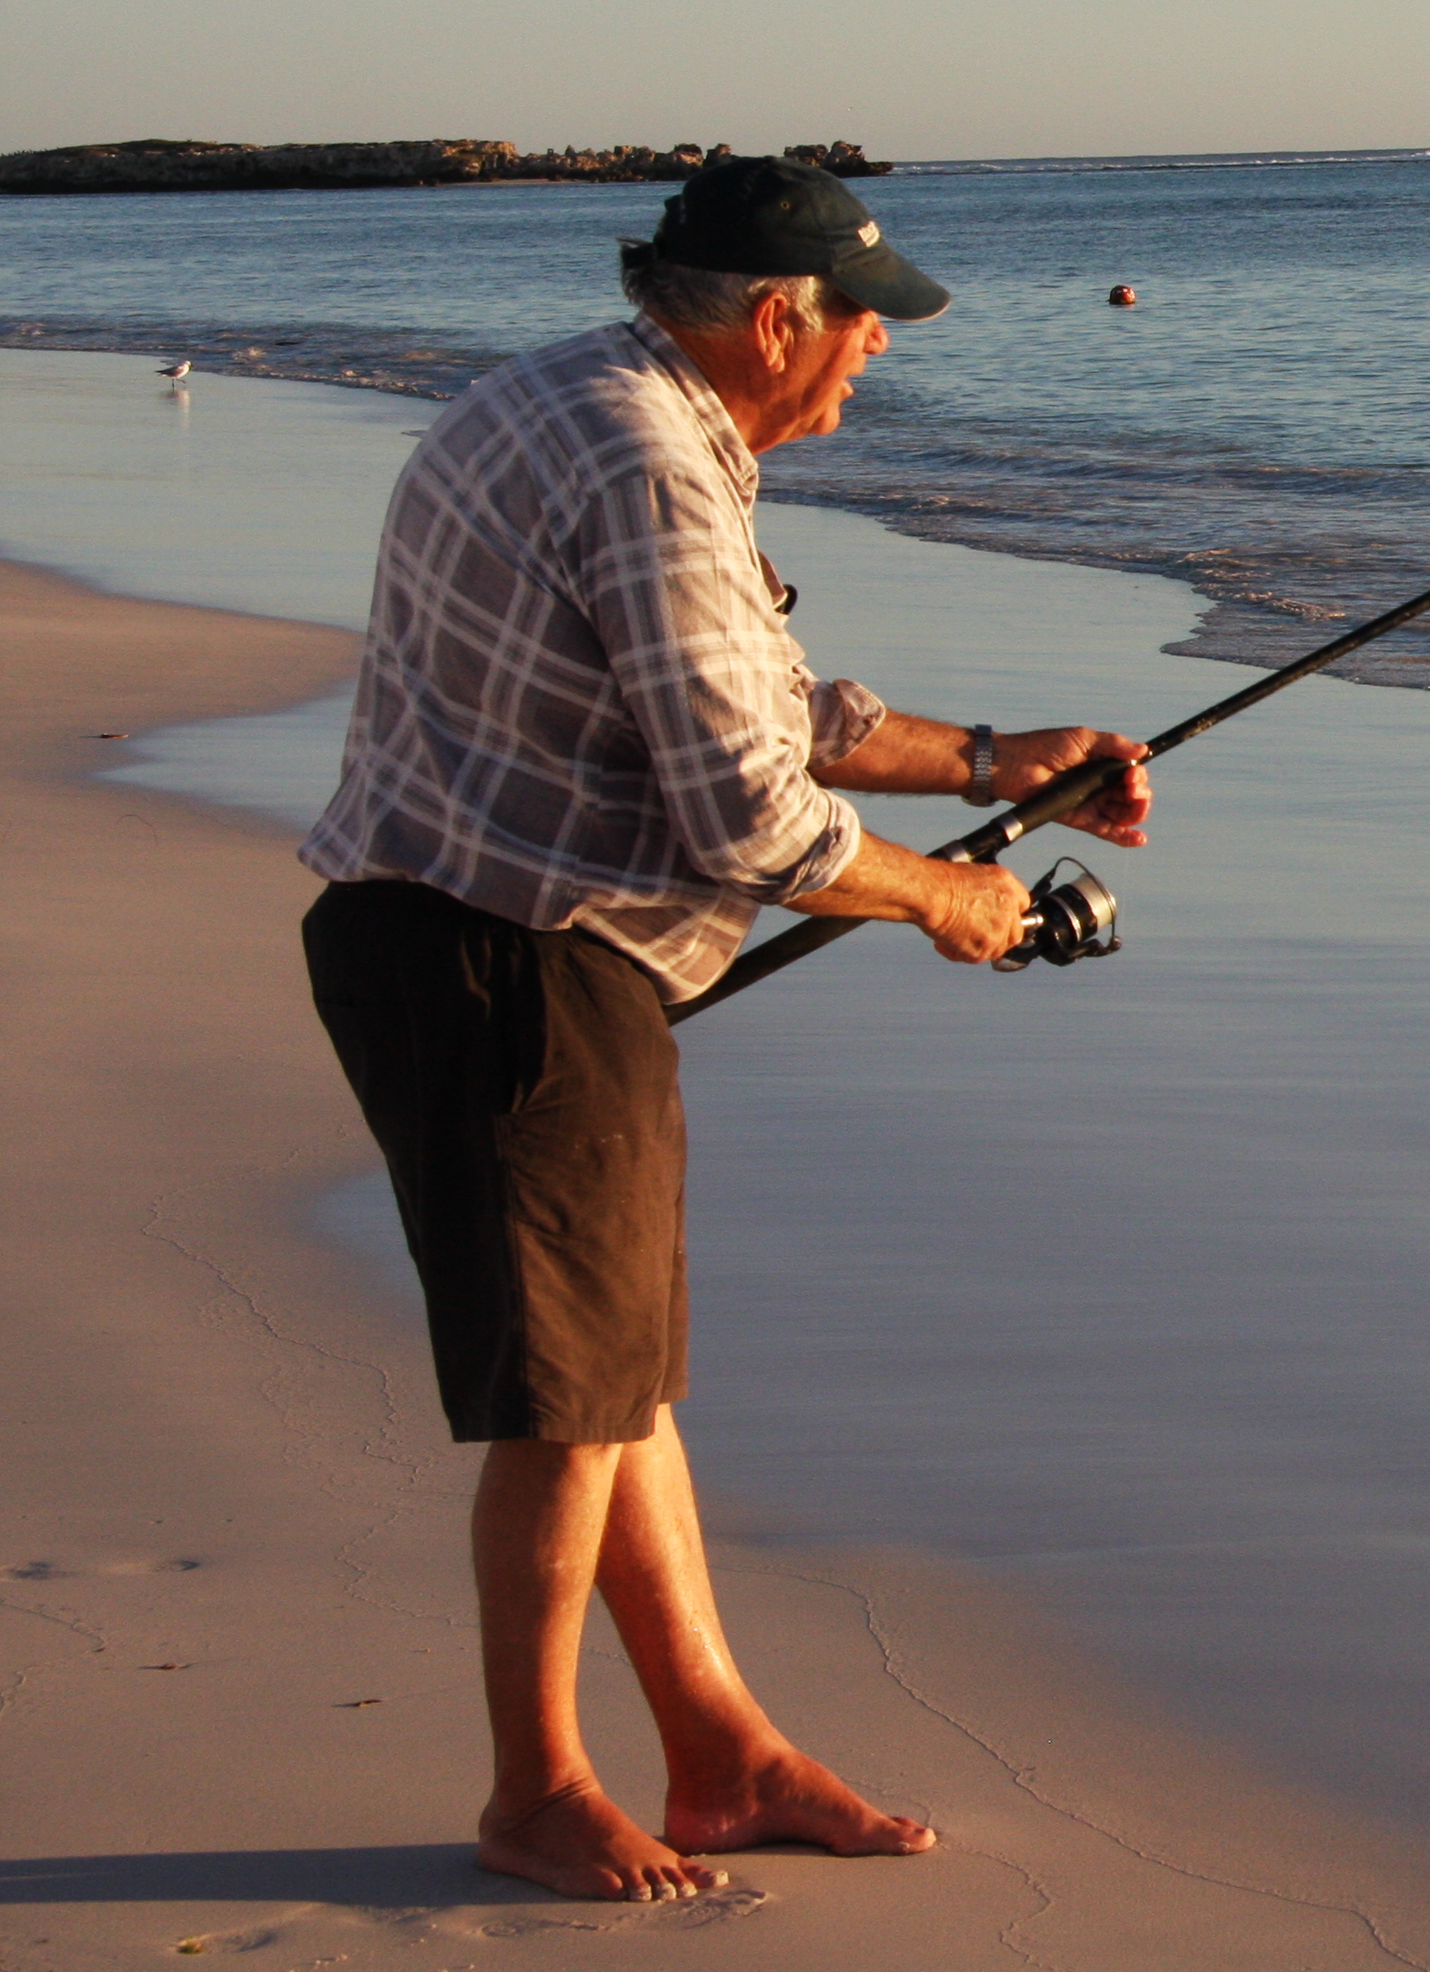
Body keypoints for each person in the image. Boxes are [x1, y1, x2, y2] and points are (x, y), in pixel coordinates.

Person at [297, 157, 1157, 1902]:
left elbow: (762, 707)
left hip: (482, 942)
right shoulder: (647, 466)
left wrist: (1006, 764)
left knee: (617, 1388)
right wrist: (952, 897)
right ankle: (534, 1788)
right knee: (565, 1407)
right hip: (508, 961)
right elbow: (749, 821)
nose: (876, 358)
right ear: (778, 318)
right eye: (862, 323)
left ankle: (720, 1750)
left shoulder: (597, 403)